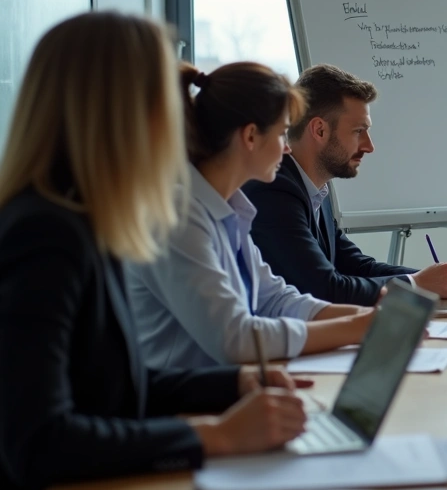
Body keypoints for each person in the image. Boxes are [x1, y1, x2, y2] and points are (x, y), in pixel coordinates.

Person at [0, 12, 306, 490]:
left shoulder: (85, 221)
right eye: (166, 105)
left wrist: (233, 386)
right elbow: (40, 441)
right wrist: (215, 435)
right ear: (122, 116)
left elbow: (114, 387)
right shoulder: (44, 235)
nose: (183, 127)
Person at [126, 61, 378, 369]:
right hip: (185, 405)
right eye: (283, 134)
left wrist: (367, 317)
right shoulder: (178, 215)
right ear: (250, 137)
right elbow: (235, 339)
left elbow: (274, 299)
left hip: (226, 390)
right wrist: (358, 328)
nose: (287, 149)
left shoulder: (230, 208)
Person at [243, 64, 447, 305]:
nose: (369, 146)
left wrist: (432, 277)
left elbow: (356, 266)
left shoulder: (315, 189)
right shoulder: (274, 191)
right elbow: (325, 288)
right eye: (358, 131)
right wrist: (417, 283)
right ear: (319, 130)